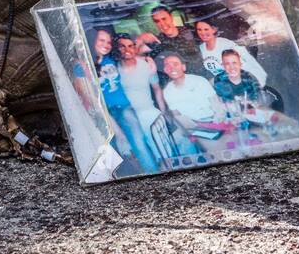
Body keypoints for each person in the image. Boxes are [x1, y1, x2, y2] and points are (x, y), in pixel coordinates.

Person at [86, 28, 160, 174]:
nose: (106, 44)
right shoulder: (84, 64)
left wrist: (145, 52)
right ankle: (127, 181)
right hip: (104, 113)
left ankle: (154, 174)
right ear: (92, 41)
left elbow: (132, 50)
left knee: (139, 145)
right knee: (116, 151)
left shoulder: (112, 58)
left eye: (108, 41)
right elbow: (90, 99)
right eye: (101, 40)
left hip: (124, 108)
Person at [214, 50, 297, 139]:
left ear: (240, 64)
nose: (231, 67)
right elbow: (221, 100)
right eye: (227, 64)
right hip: (236, 116)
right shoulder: (219, 79)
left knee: (265, 131)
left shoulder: (249, 77)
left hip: (251, 113)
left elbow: (257, 101)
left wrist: (249, 104)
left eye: (234, 63)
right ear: (222, 66)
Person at [160, 53, 228, 156]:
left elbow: (217, 106)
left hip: (212, 120)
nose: (171, 67)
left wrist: (215, 124)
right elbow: (177, 116)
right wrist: (190, 129)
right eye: (168, 65)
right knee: (172, 144)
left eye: (175, 64)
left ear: (183, 67)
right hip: (190, 126)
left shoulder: (199, 81)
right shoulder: (167, 91)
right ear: (165, 70)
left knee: (216, 152)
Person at [115, 34, 167, 165]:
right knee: (142, 156)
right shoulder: (113, 69)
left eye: (130, 46)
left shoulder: (146, 65)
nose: (127, 49)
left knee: (164, 154)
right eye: (122, 46)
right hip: (129, 119)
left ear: (135, 48)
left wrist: (163, 112)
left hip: (149, 113)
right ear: (118, 49)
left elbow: (157, 89)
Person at [194, 17, 269, 86]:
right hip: (222, 88)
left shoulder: (227, 45)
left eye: (206, 29)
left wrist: (257, 84)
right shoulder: (201, 48)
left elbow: (249, 67)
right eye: (199, 29)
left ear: (214, 29)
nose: (202, 33)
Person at [138, 5, 204, 80]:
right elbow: (137, 56)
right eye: (157, 21)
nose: (162, 24)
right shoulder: (157, 41)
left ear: (171, 18)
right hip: (178, 84)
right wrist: (140, 39)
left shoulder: (190, 31)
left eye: (164, 19)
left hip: (201, 78)